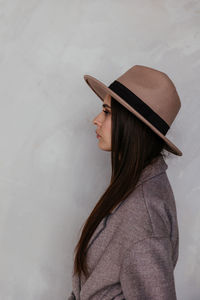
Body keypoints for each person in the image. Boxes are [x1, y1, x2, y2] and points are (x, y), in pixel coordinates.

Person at [68, 65, 182, 300]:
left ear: (133, 125)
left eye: (107, 112)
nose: (96, 120)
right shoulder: (132, 185)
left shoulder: (144, 214)